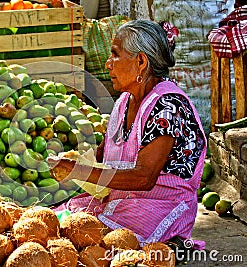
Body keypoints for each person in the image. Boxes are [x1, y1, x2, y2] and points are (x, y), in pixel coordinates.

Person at [48, 19, 207, 247]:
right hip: (121, 199)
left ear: (141, 61)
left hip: (159, 206)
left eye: (115, 54)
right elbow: (105, 154)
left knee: (88, 240)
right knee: (58, 221)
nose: (107, 64)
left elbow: (144, 177)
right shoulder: (125, 101)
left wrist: (79, 171)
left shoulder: (168, 106)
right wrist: (72, 162)